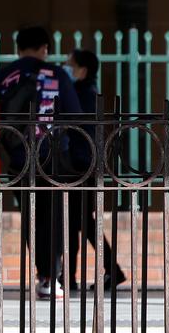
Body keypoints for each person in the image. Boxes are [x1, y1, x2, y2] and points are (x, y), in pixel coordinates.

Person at [0, 26, 82, 299]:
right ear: (44, 49)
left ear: (18, 48)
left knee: (32, 216)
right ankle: (52, 276)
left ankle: (44, 276)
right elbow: (75, 114)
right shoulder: (57, 74)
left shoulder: (3, 76)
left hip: (18, 156)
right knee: (55, 216)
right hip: (54, 155)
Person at [64, 49, 127, 291]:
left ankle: (71, 276)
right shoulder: (85, 92)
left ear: (83, 69)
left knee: (76, 219)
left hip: (80, 163)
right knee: (80, 219)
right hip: (84, 162)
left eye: (70, 64)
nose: (66, 68)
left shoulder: (82, 94)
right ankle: (109, 270)